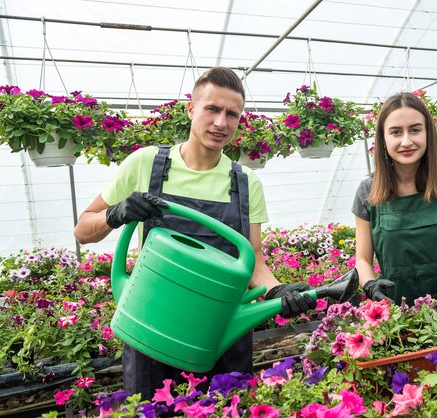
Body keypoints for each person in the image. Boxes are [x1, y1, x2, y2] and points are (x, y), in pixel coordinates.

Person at [74, 67, 314, 399]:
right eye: (212, 109)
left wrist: (277, 293)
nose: (221, 123)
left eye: (232, 114)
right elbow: (83, 229)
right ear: (191, 108)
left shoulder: (245, 183)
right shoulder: (146, 164)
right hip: (152, 332)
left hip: (219, 337)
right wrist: (116, 213)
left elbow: (254, 261)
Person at [351, 92, 437, 308]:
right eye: (395, 132)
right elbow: (363, 259)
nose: (406, 141)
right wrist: (371, 286)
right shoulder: (368, 191)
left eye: (415, 130)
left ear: (428, 133)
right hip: (394, 310)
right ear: (383, 138)